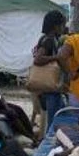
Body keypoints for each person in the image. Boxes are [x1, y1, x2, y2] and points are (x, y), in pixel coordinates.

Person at [33, 10, 68, 138]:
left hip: (51, 89)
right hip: (50, 89)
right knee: (54, 122)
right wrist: (57, 57)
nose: (63, 28)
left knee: (61, 116)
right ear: (55, 26)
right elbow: (38, 59)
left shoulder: (50, 39)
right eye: (62, 25)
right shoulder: (48, 40)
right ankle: (49, 143)